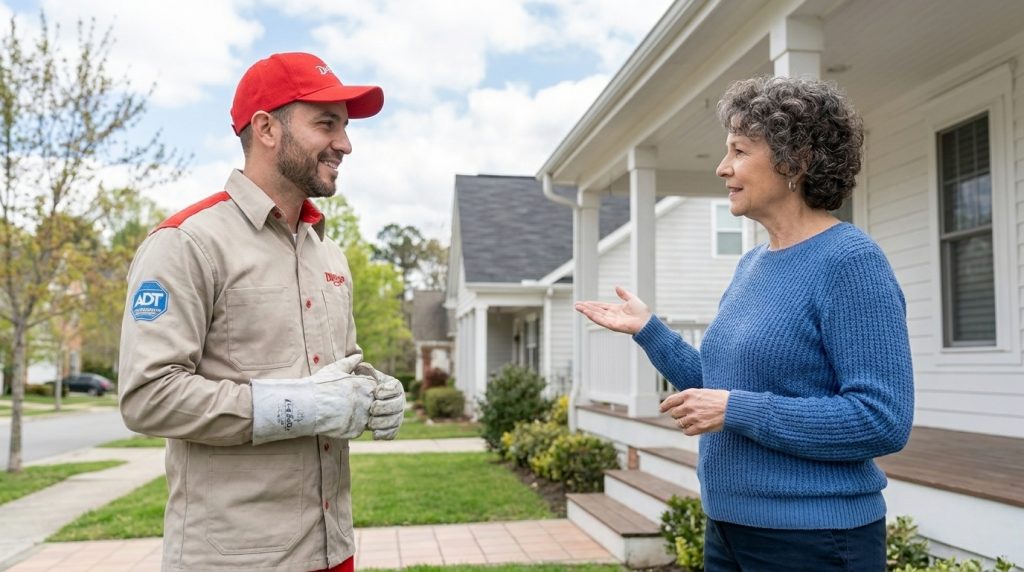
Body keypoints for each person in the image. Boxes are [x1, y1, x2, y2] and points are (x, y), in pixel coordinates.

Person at [575, 76, 914, 571]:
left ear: (794, 160)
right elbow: (720, 389)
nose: (722, 167)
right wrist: (650, 331)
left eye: (738, 150)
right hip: (730, 529)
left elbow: (882, 420)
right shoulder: (751, 266)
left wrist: (740, 410)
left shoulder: (850, 262)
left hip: (815, 538)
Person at [118, 52, 405, 572]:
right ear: (267, 128)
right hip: (236, 559)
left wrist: (372, 389)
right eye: (327, 124)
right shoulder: (186, 243)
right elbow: (147, 396)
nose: (344, 143)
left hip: (332, 548)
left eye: (344, 126)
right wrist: (297, 406)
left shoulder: (328, 253)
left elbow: (340, 365)